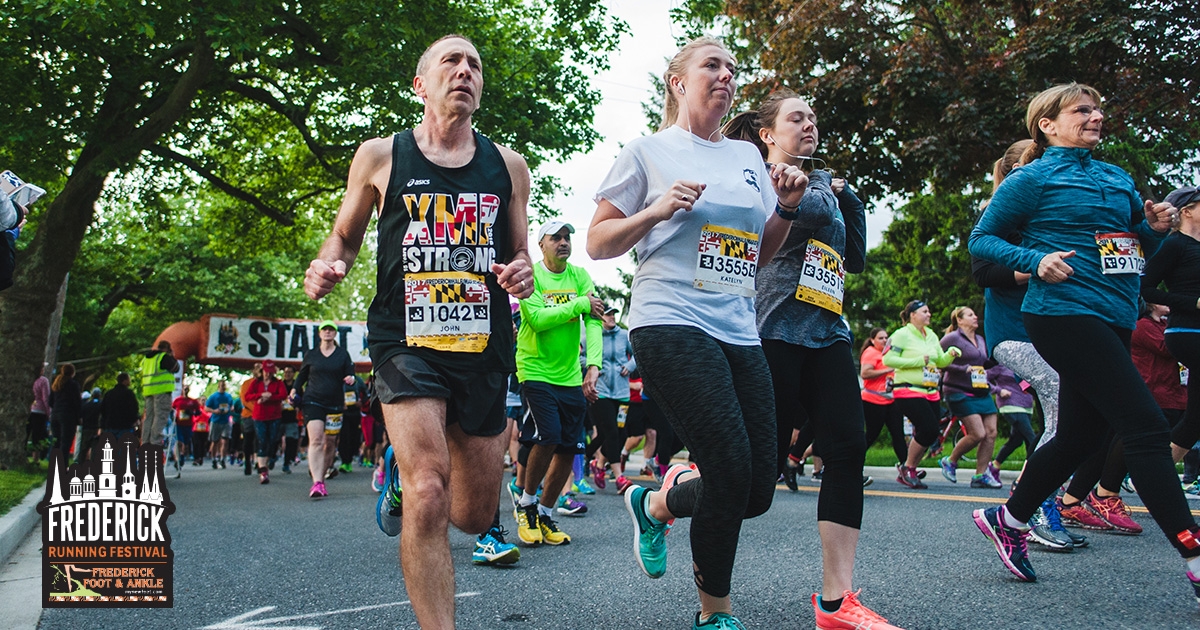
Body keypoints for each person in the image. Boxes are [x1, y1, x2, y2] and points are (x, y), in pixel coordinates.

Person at [303, 34, 532, 626]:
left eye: (474, 65)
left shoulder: (508, 166)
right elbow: (346, 235)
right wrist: (331, 263)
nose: (465, 71)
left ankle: (406, 486)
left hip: (481, 346)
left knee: (475, 516)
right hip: (404, 341)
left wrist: (521, 274)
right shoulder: (382, 156)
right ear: (420, 85)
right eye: (450, 62)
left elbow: (519, 255)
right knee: (430, 490)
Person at [588, 37, 808, 629]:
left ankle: (655, 503)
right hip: (669, 319)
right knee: (730, 466)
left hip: (737, 327)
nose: (725, 76)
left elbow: (759, 255)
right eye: (712, 65)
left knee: (758, 487)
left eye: (732, 69)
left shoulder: (746, 159)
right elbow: (598, 242)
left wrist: (784, 208)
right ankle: (715, 614)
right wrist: (655, 211)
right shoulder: (648, 151)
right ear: (678, 82)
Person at [968, 83, 1200, 598]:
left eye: (1097, 109)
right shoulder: (1031, 179)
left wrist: (1153, 227)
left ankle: (1009, 518)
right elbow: (981, 241)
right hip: (1062, 314)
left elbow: (1128, 242)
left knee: (1078, 436)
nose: (1095, 116)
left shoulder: (1117, 178)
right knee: (1142, 425)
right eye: (1082, 110)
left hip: (1115, 315)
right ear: (1047, 125)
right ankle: (1193, 552)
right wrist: (1035, 261)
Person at [722, 89, 897, 627]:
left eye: (814, 117)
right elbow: (812, 211)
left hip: (828, 334)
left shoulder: (825, 183)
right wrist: (824, 185)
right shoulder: (761, 178)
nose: (810, 124)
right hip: (771, 335)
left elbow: (856, 256)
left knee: (846, 450)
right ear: (768, 134)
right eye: (796, 117)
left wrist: (853, 198)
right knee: (758, 477)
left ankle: (835, 601)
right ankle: (660, 503)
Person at [513, 219, 603, 546]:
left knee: (570, 446)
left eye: (567, 237)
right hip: (535, 369)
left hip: (569, 374)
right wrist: (579, 304)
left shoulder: (580, 275)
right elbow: (537, 320)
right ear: (542, 244)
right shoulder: (531, 276)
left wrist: (593, 365)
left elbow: (594, 323)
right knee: (547, 435)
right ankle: (526, 503)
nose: (563, 242)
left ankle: (547, 513)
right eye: (556, 238)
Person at [1141, 185, 1200, 468]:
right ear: (1187, 211)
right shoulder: (1175, 244)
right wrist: (1192, 303)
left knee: (1195, 419)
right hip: (1187, 333)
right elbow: (1145, 288)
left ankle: (1152, 472)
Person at [885, 301, 961, 489]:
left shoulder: (932, 335)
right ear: (912, 315)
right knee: (928, 429)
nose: (929, 314)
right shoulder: (901, 334)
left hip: (930, 391)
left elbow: (940, 362)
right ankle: (908, 468)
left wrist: (951, 354)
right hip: (907, 389)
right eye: (924, 311)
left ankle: (910, 468)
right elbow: (888, 359)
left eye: (929, 311)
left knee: (931, 432)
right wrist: (918, 360)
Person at [938, 306, 1004, 488]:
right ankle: (950, 460)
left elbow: (982, 362)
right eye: (970, 315)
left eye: (975, 314)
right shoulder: (952, 338)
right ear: (959, 320)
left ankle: (980, 475)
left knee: (991, 433)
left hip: (980, 389)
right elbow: (938, 360)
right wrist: (962, 368)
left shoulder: (981, 339)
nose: (975, 317)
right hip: (958, 390)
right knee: (977, 433)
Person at [292, 320, 355, 494]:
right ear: (319, 334)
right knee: (317, 439)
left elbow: (351, 372)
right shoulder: (311, 354)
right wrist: (294, 390)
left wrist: (351, 378)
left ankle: (324, 468)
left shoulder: (343, 354)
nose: (328, 332)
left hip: (335, 402)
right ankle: (317, 482)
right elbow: (302, 375)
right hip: (313, 401)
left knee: (330, 442)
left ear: (335, 334)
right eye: (324, 329)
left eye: (331, 330)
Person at [588, 305, 637, 494]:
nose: (612, 317)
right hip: (602, 393)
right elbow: (581, 357)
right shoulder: (593, 335)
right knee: (611, 433)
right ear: (601, 317)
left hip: (622, 392)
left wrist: (630, 365)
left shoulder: (624, 335)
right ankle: (619, 477)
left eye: (613, 314)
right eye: (608, 314)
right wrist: (593, 366)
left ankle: (596, 463)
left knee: (619, 434)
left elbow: (637, 353)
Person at [859, 328, 907, 469]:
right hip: (873, 400)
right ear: (873, 340)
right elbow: (865, 373)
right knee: (872, 434)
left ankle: (906, 465)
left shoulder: (889, 353)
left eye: (886, 338)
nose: (884, 340)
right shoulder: (870, 353)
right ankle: (855, 462)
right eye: (880, 338)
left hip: (891, 399)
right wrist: (888, 370)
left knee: (898, 433)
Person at [988, 364, 1038, 475]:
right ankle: (1030, 471)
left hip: (1027, 405)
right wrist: (999, 390)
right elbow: (983, 380)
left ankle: (995, 465)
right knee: (1032, 438)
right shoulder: (1001, 365)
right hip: (1010, 404)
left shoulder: (1024, 363)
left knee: (1017, 440)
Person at [246, 360, 287, 484]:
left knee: (273, 440)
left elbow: (283, 395)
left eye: (270, 372)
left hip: (274, 415)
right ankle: (263, 470)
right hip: (259, 416)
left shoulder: (278, 383)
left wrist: (270, 397)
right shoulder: (256, 383)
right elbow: (247, 396)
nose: (268, 374)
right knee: (261, 440)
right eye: (266, 372)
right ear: (262, 371)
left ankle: (270, 459)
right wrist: (260, 395)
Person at [140, 340, 178, 447]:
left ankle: (146, 441)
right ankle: (155, 442)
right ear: (167, 349)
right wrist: (172, 356)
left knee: (149, 417)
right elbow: (176, 367)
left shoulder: (147, 358)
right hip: (162, 391)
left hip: (148, 391)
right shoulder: (163, 357)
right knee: (160, 416)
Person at [49, 364, 82, 461]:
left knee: (56, 441)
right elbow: (77, 402)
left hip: (55, 415)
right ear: (72, 373)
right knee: (65, 442)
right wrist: (79, 416)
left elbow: (50, 401)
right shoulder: (73, 384)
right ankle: (62, 465)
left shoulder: (56, 385)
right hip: (68, 416)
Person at [100, 372, 140, 443]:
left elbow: (103, 410)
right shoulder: (129, 393)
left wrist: (103, 424)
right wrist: (135, 420)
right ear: (125, 380)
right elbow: (134, 409)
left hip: (110, 425)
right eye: (128, 379)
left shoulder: (109, 394)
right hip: (125, 426)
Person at [205, 380, 235, 469]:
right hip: (216, 420)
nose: (223, 387)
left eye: (224, 385)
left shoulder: (228, 396)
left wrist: (231, 409)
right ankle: (214, 459)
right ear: (219, 386)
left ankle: (222, 459)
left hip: (225, 421)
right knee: (215, 441)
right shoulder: (213, 396)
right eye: (221, 385)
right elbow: (206, 408)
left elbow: (231, 405)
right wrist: (214, 411)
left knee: (225, 440)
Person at [238, 363, 261, 476]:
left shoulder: (265, 383)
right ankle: (247, 460)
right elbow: (244, 400)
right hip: (248, 415)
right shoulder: (247, 383)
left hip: (262, 416)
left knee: (259, 439)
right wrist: (256, 409)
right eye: (257, 369)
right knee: (248, 439)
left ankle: (258, 461)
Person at [27, 364, 51, 463]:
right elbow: (45, 397)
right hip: (40, 410)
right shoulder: (43, 381)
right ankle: (35, 458)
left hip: (30, 409)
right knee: (38, 435)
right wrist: (48, 411)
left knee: (27, 432)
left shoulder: (30, 380)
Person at [279, 367, 300, 473]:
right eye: (285, 372)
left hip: (292, 418)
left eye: (289, 372)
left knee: (290, 441)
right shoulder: (279, 384)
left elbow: (303, 398)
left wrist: (298, 406)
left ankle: (286, 463)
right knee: (275, 439)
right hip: (278, 417)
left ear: (294, 373)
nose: (287, 374)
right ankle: (272, 457)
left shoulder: (297, 386)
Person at [77, 388, 102, 464]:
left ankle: (80, 464)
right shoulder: (101, 405)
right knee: (95, 448)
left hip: (86, 428)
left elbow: (80, 417)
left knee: (83, 448)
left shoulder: (86, 405)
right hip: (96, 429)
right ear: (100, 395)